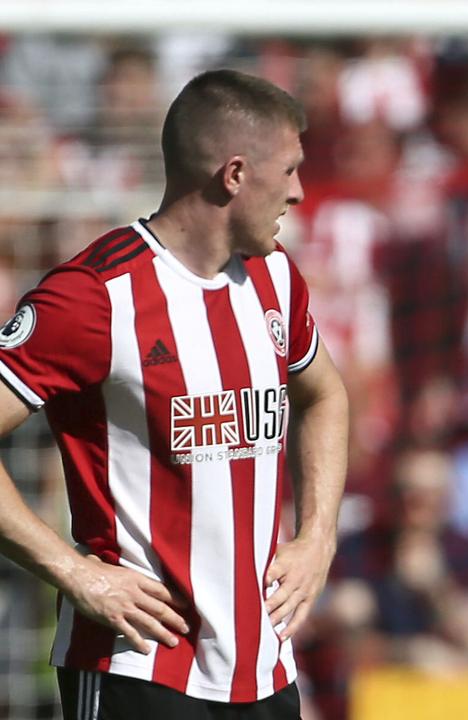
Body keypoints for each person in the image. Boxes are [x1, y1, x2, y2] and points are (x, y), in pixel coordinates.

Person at [0, 69, 348, 719]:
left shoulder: (276, 279)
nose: (300, 193)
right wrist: (76, 573)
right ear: (235, 174)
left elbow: (325, 396)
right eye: (290, 170)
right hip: (141, 661)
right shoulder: (96, 295)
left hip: (265, 665)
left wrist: (319, 533)